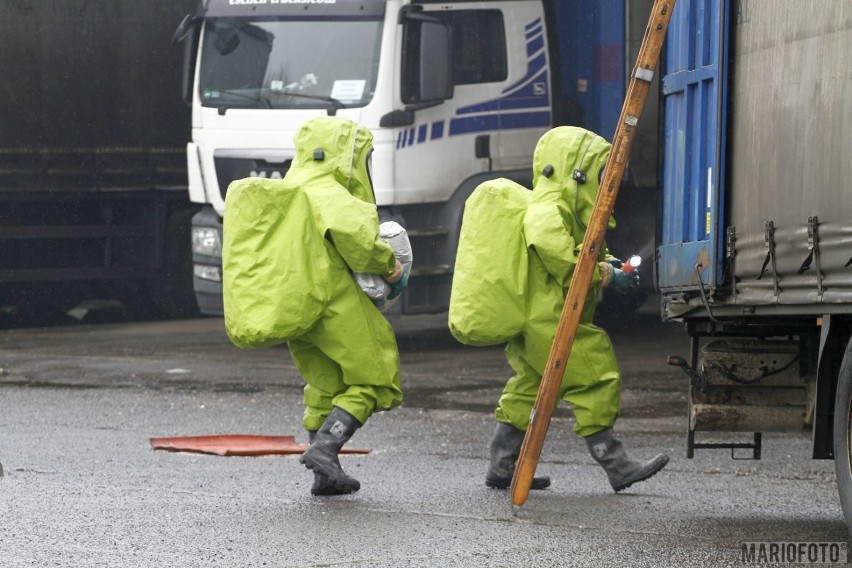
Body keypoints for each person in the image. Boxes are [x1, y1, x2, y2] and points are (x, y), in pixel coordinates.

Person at [449, 126, 669, 493]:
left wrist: (612, 267)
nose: (604, 185)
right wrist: (602, 273)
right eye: (600, 174)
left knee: (530, 388)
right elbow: (554, 248)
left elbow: (583, 250)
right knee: (593, 373)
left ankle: (502, 464)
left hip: (537, 317)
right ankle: (616, 464)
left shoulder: (563, 209)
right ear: (577, 172)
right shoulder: (549, 209)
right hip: (548, 317)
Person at [222, 116, 408, 496]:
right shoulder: (331, 193)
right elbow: (358, 242)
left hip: (298, 308)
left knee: (325, 384)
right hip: (333, 304)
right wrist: (390, 267)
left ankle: (326, 473)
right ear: (346, 155)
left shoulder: (290, 189)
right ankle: (325, 449)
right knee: (375, 378)